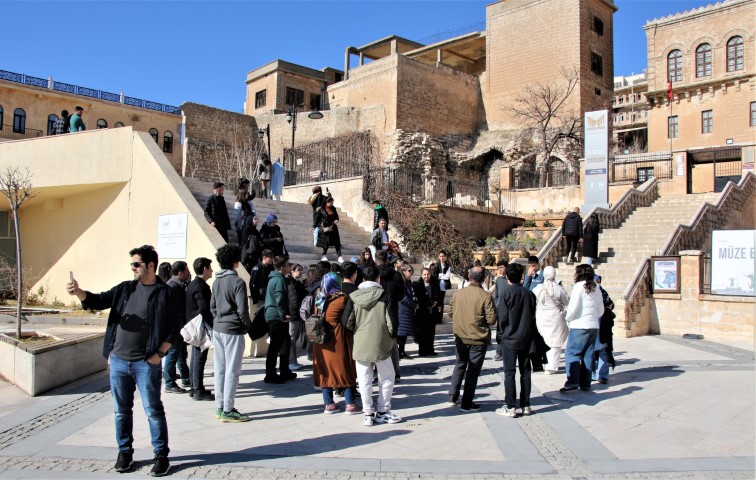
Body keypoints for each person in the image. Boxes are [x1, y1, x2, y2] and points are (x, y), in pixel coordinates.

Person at [66, 244, 177, 476]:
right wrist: (78, 292)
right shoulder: (125, 289)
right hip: (118, 361)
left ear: (150, 265)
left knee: (153, 410)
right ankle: (125, 452)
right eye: (132, 265)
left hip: (145, 363)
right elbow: (97, 300)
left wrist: (159, 355)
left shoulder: (165, 293)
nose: (133, 268)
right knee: (121, 411)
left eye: (136, 264)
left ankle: (160, 456)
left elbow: (174, 328)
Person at [346, 265, 402, 426]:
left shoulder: (354, 296)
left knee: (364, 380)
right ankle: (383, 410)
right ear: (378, 279)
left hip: (361, 342)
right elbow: (391, 322)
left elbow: (347, 322)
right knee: (387, 377)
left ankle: (368, 413)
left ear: (362, 279)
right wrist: (391, 337)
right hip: (381, 343)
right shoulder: (385, 295)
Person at [211, 244, 252, 422]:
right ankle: (228, 408)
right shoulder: (237, 282)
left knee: (220, 369)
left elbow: (212, 306)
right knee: (232, 371)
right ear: (236, 262)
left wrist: (219, 319)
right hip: (233, 329)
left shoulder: (216, 281)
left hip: (218, 327)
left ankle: (220, 406)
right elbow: (243, 310)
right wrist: (248, 326)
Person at [447, 266, 497, 412]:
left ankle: (452, 395)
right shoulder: (485, 296)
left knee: (460, 365)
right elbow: (492, 319)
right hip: (477, 337)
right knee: (473, 371)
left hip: (461, 336)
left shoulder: (458, 294)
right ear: (483, 279)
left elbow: (450, 312)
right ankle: (467, 402)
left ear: (469, 277)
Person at [312, 273, 359, 415]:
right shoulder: (342, 299)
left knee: (325, 371)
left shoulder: (319, 299)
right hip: (338, 339)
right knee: (345, 368)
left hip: (321, 341)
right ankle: (350, 404)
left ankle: (329, 404)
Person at [494, 263, 537, 418]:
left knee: (509, 372)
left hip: (509, 338)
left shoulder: (506, 294)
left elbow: (503, 318)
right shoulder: (529, 294)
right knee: (526, 371)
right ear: (521, 276)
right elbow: (532, 317)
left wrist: (500, 335)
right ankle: (526, 404)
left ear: (507, 278)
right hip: (526, 338)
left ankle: (511, 405)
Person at [560, 264, 604, 393]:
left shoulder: (579, 286)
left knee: (573, 352)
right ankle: (586, 383)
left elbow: (573, 307)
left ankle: (572, 381)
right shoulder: (597, 287)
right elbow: (601, 309)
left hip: (579, 325)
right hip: (593, 325)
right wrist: (593, 317)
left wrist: (568, 317)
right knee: (588, 354)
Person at [264, 255, 296, 384]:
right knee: (275, 345)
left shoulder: (275, 278)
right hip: (276, 316)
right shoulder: (279, 280)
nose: (290, 267)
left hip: (274, 315)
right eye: (288, 265)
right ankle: (270, 374)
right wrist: (283, 315)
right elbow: (279, 299)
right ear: (282, 267)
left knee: (285, 343)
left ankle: (284, 370)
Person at [186, 257, 214, 401]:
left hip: (196, 326)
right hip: (200, 326)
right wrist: (213, 325)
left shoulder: (195, 284)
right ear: (204, 269)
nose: (212, 270)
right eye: (210, 267)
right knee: (199, 358)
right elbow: (204, 308)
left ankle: (195, 387)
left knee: (196, 357)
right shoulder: (199, 286)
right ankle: (197, 389)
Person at [532, 266, 569, 375]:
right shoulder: (558, 288)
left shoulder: (538, 288)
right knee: (555, 342)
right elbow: (566, 302)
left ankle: (546, 364)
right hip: (556, 318)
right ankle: (552, 366)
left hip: (542, 317)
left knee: (546, 340)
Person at [375, 249, 403, 383]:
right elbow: (402, 295)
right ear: (387, 260)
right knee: (393, 344)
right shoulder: (397, 275)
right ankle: (396, 372)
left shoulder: (372, 274)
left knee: (376, 344)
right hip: (392, 311)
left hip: (375, 313)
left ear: (375, 260)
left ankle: (377, 372)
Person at [163, 261, 191, 394]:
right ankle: (169, 382)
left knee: (181, 354)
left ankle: (186, 377)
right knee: (173, 355)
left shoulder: (178, 285)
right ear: (180, 273)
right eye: (186, 271)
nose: (188, 273)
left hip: (179, 327)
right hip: (174, 327)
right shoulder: (172, 286)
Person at [592, 275, 616, 384]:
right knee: (598, 349)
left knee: (599, 349)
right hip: (596, 324)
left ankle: (599, 375)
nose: (598, 283)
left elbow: (611, 304)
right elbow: (610, 304)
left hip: (599, 324)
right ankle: (600, 375)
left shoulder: (594, 291)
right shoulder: (598, 291)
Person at [413, 267, 439, 356]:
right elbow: (418, 298)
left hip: (432, 312)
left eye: (428, 274)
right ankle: (422, 351)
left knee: (431, 332)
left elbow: (437, 295)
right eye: (424, 274)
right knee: (422, 333)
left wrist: (436, 302)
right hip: (422, 312)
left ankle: (430, 349)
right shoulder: (417, 285)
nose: (426, 276)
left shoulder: (434, 284)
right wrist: (429, 303)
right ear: (421, 275)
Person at [287, 263, 307, 371]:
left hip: (297, 315)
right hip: (293, 314)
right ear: (292, 271)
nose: (300, 272)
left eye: (301, 269)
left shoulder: (297, 283)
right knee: (291, 339)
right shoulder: (291, 284)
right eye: (298, 270)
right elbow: (294, 300)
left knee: (294, 339)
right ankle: (290, 362)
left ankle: (294, 361)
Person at [315, 196, 344, 263]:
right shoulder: (321, 209)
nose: (332, 204)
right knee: (326, 242)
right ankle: (324, 255)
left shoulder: (333, 209)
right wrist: (314, 226)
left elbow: (337, 217)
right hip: (325, 228)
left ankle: (340, 256)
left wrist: (336, 220)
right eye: (330, 203)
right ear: (326, 202)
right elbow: (317, 219)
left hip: (333, 228)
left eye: (332, 203)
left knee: (337, 242)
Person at [397, 264, 417, 359]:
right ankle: (399, 352)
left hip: (408, 311)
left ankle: (402, 351)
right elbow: (402, 297)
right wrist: (413, 305)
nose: (411, 273)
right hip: (402, 310)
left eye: (411, 271)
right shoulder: (401, 282)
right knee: (401, 333)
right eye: (409, 271)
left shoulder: (408, 282)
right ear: (403, 272)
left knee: (404, 333)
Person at [492, 258, 509, 362]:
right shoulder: (498, 280)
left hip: (510, 309)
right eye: (498, 268)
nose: (500, 270)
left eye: (501, 267)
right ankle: (499, 351)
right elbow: (496, 295)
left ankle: (504, 351)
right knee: (500, 331)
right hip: (500, 309)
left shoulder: (511, 280)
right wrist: (496, 306)